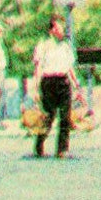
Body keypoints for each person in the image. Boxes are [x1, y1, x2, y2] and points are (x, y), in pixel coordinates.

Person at [31, 16, 77, 158]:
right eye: (58, 28)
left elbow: (69, 68)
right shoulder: (43, 46)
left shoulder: (65, 46)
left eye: (62, 28)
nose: (61, 31)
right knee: (49, 116)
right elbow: (38, 68)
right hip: (48, 82)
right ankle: (39, 144)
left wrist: (76, 85)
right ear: (51, 30)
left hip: (63, 81)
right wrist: (36, 88)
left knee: (65, 116)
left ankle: (62, 149)